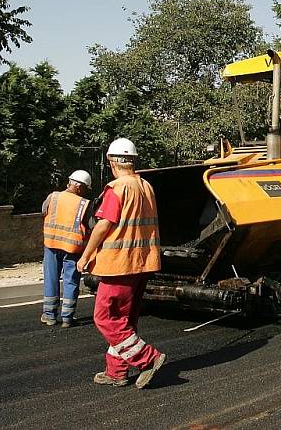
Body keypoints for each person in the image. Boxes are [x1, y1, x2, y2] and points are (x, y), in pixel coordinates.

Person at [77, 138, 166, 388]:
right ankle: (116, 371)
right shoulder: (145, 186)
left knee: (105, 317)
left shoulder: (116, 188)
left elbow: (104, 224)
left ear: (110, 161)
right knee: (123, 320)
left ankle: (148, 358)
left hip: (119, 264)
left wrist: (85, 256)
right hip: (142, 262)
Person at [40, 170, 92, 327]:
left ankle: (49, 316)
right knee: (71, 280)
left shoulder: (53, 197)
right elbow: (91, 226)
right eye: (85, 188)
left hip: (51, 245)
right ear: (78, 186)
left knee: (51, 278)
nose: (85, 191)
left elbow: (44, 211)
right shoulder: (84, 204)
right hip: (73, 247)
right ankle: (68, 317)